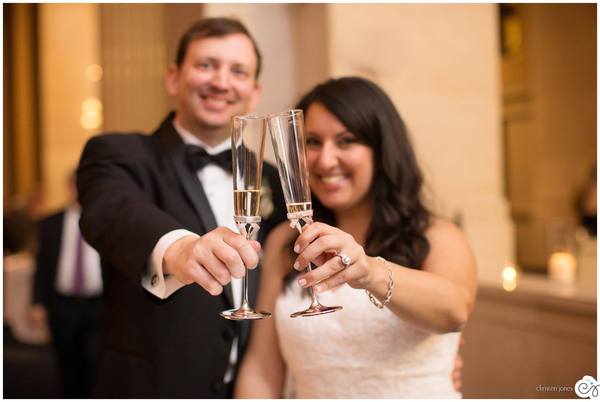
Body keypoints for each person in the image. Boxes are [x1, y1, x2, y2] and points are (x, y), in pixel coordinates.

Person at [76, 18, 285, 397]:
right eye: (206, 65)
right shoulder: (118, 153)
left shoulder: (272, 176)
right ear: (173, 77)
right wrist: (181, 248)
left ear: (254, 93)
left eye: (237, 71)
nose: (221, 82)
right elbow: (112, 212)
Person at [235, 77, 477, 398]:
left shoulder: (436, 235)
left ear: (382, 149)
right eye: (312, 142)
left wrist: (369, 271)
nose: (325, 160)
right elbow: (262, 371)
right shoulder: (284, 240)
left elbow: (454, 311)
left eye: (346, 141)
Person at [29, 172, 104, 397]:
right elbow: (41, 265)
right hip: (62, 305)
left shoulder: (104, 221)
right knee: (66, 363)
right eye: (76, 186)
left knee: (95, 362)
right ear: (70, 188)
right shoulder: (50, 222)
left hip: (98, 306)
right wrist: (37, 303)